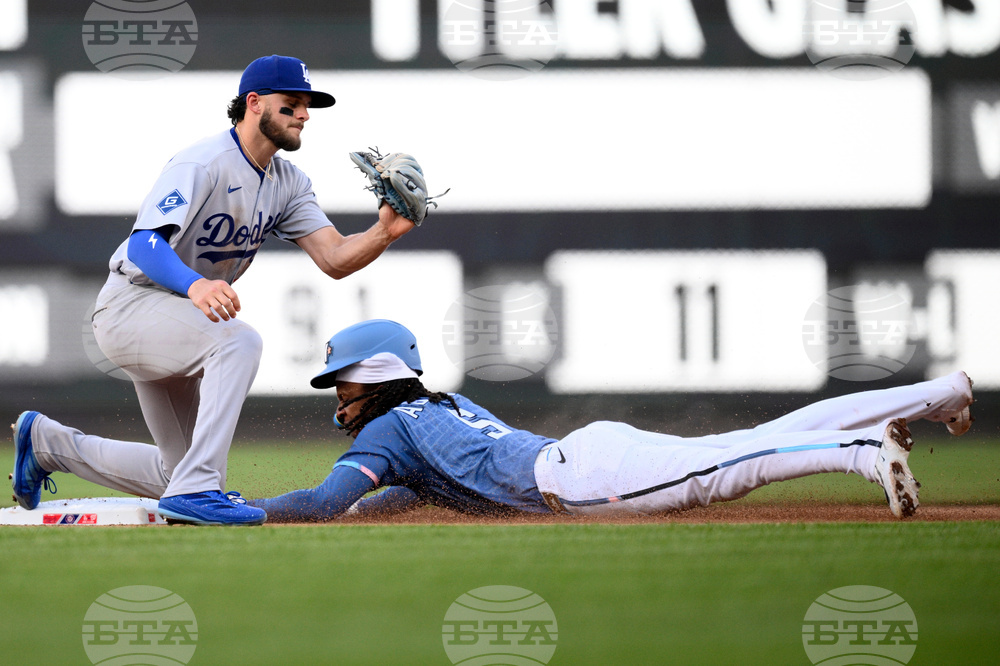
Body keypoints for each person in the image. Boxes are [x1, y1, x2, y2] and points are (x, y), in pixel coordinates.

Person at [9, 56, 416, 526]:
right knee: (238, 341)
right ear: (254, 103)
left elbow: (335, 258)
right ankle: (197, 489)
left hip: (179, 320)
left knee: (177, 473)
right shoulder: (204, 162)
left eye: (308, 106)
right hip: (131, 307)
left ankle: (47, 443)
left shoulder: (288, 182)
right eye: (292, 103)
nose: (304, 114)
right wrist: (195, 283)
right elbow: (144, 243)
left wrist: (384, 232)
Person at [234, 319, 973, 522]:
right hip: (582, 454)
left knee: (726, 471)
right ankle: (939, 393)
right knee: (755, 441)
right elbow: (407, 493)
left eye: (342, 382)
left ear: (374, 377)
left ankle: (863, 451)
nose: (337, 397)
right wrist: (367, 511)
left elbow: (323, 502)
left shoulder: (385, 431)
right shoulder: (435, 409)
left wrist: (241, 510)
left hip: (582, 479)